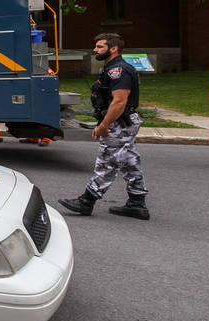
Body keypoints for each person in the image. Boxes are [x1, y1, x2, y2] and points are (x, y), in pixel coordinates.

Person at [59, 32, 150, 220]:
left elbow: (119, 102)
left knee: (107, 161)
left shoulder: (118, 70)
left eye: (100, 47)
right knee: (129, 161)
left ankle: (87, 200)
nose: (95, 50)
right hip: (122, 122)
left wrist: (103, 126)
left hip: (118, 123)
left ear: (113, 48)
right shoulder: (112, 68)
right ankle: (137, 202)